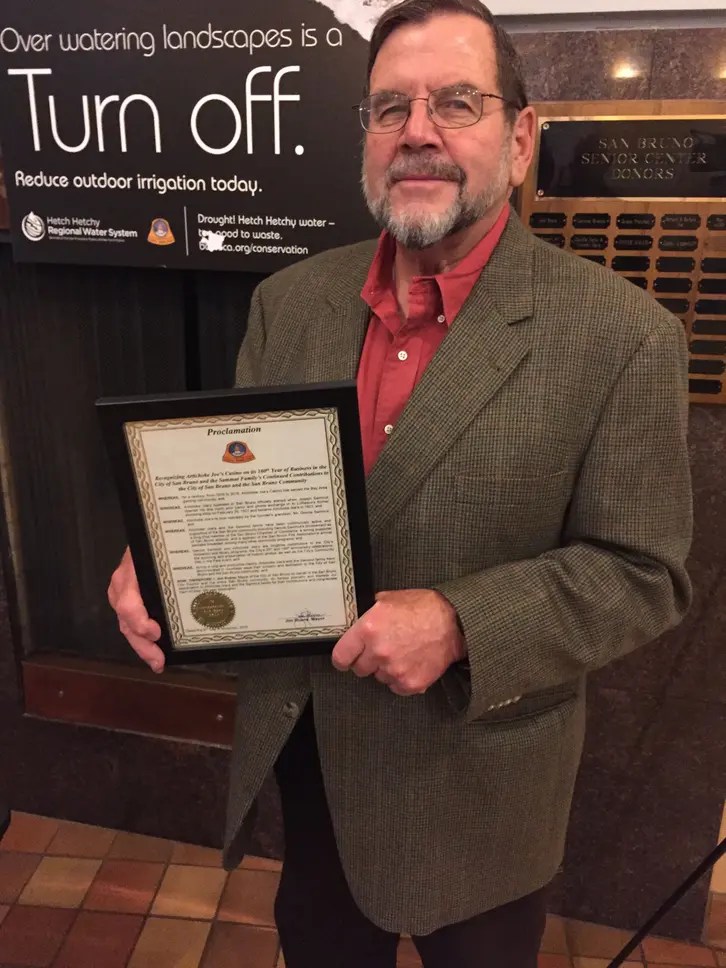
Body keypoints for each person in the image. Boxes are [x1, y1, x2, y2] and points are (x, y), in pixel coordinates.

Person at [107, 1, 693, 964]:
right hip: (314, 762)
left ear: (519, 140)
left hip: (481, 796)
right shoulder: (288, 303)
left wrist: (462, 623)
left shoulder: (622, 338)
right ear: (367, 140)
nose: (417, 131)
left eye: (456, 102)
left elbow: (644, 574)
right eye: (389, 109)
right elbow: (245, 493)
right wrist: (164, 553)